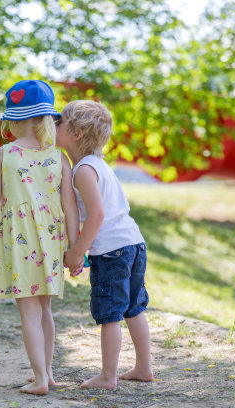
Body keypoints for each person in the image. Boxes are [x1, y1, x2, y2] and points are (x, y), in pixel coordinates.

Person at [0, 79, 79, 395]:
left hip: (17, 237)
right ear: (46, 118)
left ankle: (39, 380)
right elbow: (69, 204)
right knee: (45, 309)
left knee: (29, 312)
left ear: (12, 117)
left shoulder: (4, 154)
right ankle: (47, 373)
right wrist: (74, 244)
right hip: (51, 239)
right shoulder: (59, 156)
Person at [58, 100, 153, 390]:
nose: (54, 125)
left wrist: (76, 252)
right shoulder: (97, 164)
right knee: (133, 308)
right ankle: (143, 368)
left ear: (75, 133)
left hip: (113, 252)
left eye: (59, 121)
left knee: (110, 313)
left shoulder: (83, 171)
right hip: (133, 244)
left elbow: (96, 216)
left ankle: (108, 376)